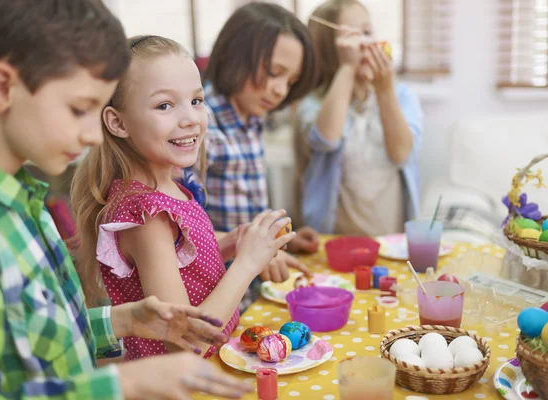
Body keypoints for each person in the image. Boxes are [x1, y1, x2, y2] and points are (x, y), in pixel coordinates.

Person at [0, 1, 251, 399]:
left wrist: (124, 321)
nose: (95, 135)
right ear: (2, 88)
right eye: (79, 109)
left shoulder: (22, 198)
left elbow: (37, 336)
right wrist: (127, 382)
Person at [70, 35, 295, 360]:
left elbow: (180, 266)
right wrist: (247, 264)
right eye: (165, 105)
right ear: (117, 123)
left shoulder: (171, 186)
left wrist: (232, 243)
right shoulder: (145, 215)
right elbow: (187, 339)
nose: (190, 117)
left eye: (196, 100)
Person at [199, 2, 321, 310]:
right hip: (214, 296)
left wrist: (280, 240)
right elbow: (181, 232)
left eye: (290, 82)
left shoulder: (251, 116)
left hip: (249, 292)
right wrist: (257, 249)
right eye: (274, 73)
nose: (281, 90)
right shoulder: (202, 126)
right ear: (234, 56)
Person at [294, 0, 423, 236]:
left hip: (390, 240)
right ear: (328, 49)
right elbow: (326, 139)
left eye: (367, 32)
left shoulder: (402, 96)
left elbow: (401, 154)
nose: (366, 43)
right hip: (331, 241)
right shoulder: (313, 102)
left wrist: (385, 90)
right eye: (353, 37)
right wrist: (348, 69)